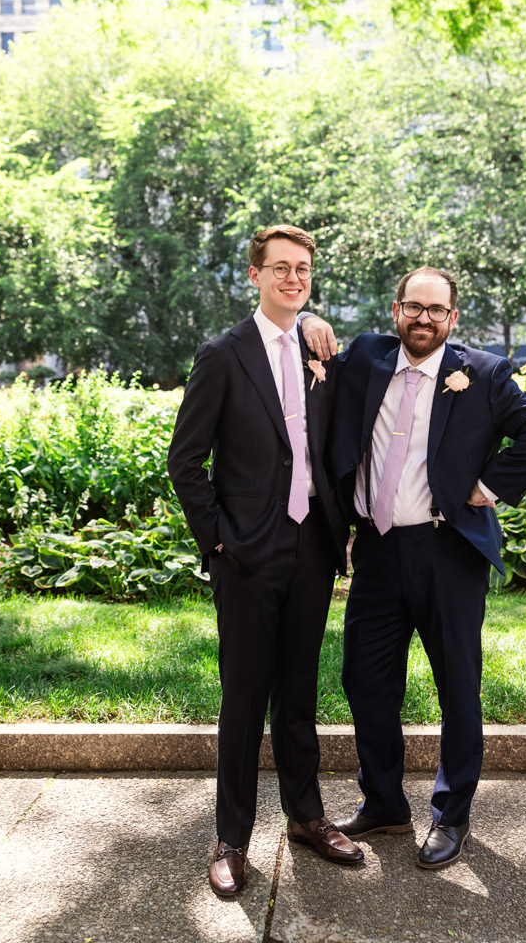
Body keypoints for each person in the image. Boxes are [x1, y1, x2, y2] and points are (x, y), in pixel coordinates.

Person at [301, 266, 526, 869]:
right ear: (396, 311)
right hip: (375, 551)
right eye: (412, 307)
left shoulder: (484, 372)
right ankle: (386, 803)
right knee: (365, 683)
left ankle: (451, 815)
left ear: (452, 318)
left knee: (457, 689)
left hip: (448, 555)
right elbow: (300, 346)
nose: (423, 319)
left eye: (436, 310)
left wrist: (488, 485)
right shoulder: (368, 356)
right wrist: (311, 321)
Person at [168, 225, 363, 898]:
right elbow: (184, 460)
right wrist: (219, 540)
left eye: (302, 269)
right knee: (244, 696)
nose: (292, 278)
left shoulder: (320, 351)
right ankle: (230, 838)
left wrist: (313, 323)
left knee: (300, 691)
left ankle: (307, 816)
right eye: (279, 268)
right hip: (248, 551)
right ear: (252, 275)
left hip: (312, 544)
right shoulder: (222, 354)